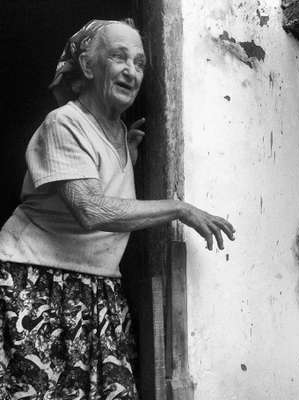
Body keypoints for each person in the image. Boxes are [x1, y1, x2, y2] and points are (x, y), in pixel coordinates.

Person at [0, 19, 235, 399]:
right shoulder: (63, 123)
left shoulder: (122, 134)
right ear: (88, 66)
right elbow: (90, 210)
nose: (131, 71)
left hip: (99, 288)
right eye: (119, 57)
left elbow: (103, 187)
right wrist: (179, 208)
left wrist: (128, 157)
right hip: (35, 281)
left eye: (139, 63)